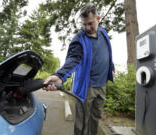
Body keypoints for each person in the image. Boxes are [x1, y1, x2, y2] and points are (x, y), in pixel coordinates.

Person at [43, 3, 114, 135]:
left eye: (90, 23)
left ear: (98, 19)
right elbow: (73, 59)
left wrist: (112, 67)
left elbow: (108, 52)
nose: (87, 27)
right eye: (84, 24)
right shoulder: (79, 39)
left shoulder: (104, 33)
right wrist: (60, 75)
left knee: (96, 117)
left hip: (102, 84)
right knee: (82, 121)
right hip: (87, 87)